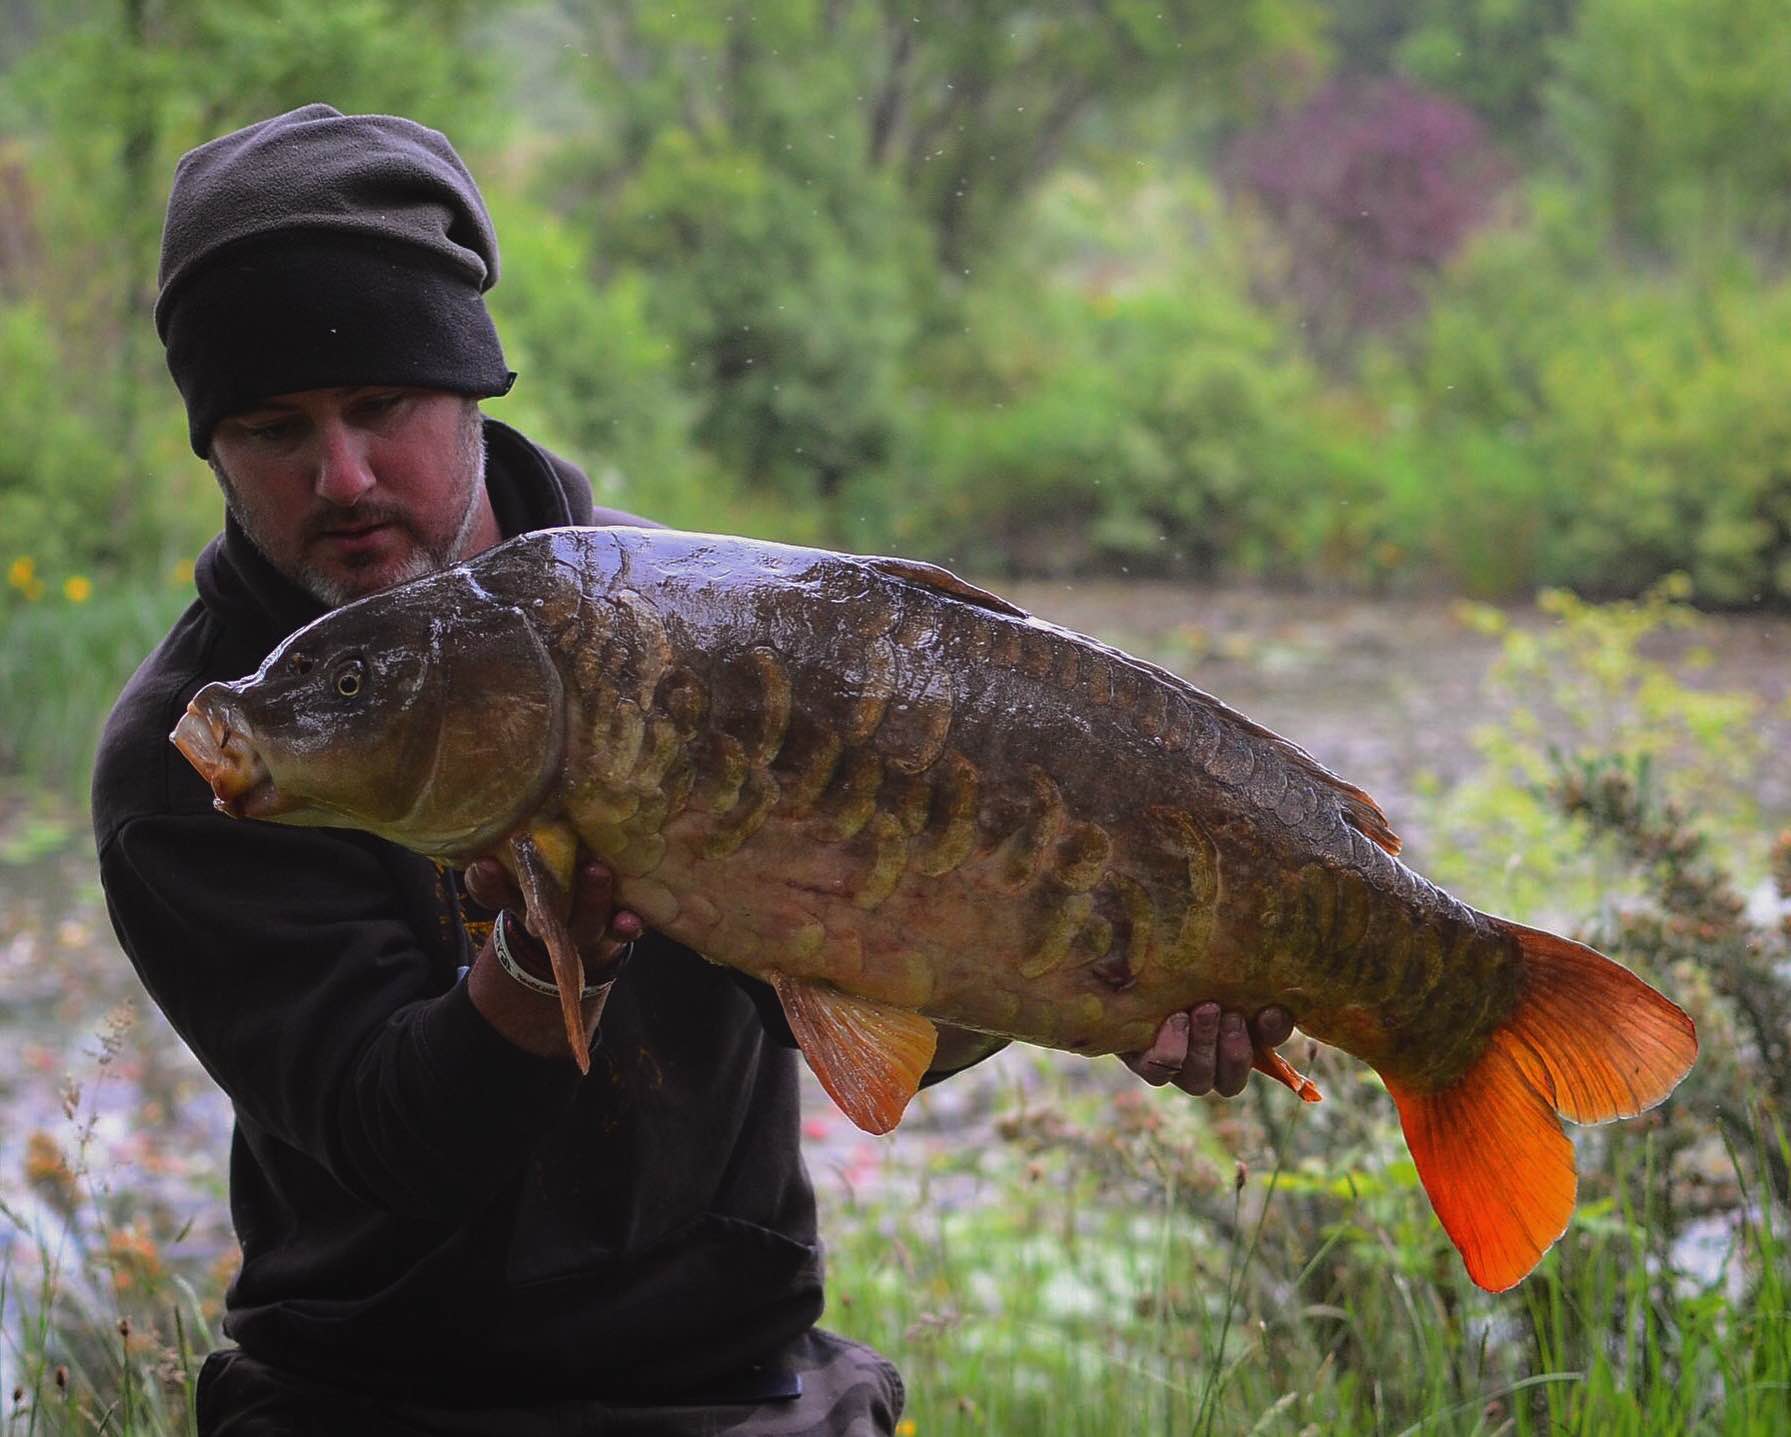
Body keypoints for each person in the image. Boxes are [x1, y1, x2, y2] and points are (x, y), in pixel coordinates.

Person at [92, 104, 1296, 1436]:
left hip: (729, 1375)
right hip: (374, 1391)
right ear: (210, 444)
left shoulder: (702, 636)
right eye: (273, 428)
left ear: (473, 393)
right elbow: (396, 1138)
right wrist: (550, 952)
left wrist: (1113, 984)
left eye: (382, 405)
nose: (344, 473)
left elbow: (864, 1010)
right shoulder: (203, 757)